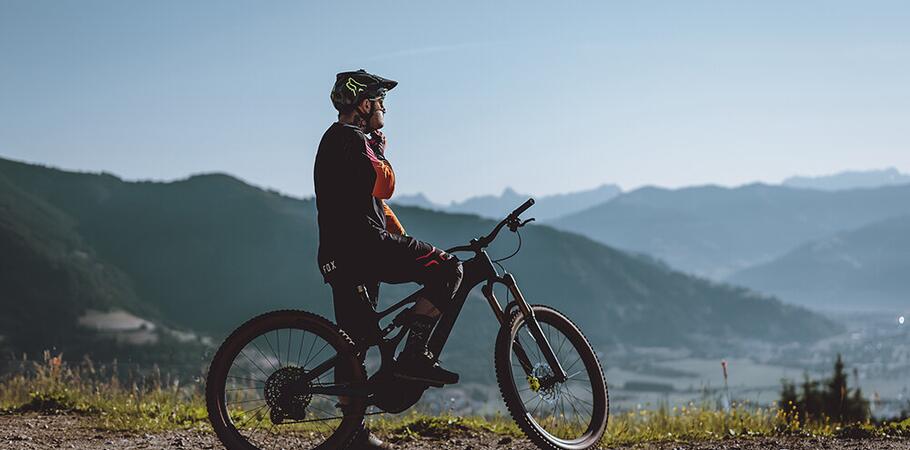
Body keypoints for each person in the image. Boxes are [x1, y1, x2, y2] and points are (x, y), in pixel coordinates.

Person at [313, 69, 464, 449]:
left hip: (338, 255)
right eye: (380, 100)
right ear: (364, 105)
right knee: (449, 269)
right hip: (365, 248)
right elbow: (386, 185)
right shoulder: (351, 139)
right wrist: (379, 149)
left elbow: (373, 203)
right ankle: (415, 355)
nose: (384, 108)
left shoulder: (335, 141)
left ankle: (352, 436)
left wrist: (402, 238)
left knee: (354, 345)